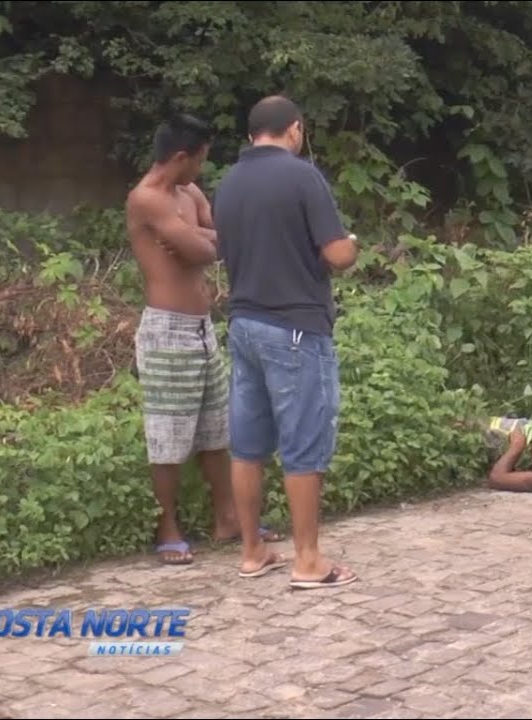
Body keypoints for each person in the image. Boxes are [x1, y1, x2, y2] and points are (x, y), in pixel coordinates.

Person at [213, 96, 359, 589]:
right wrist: (352, 244)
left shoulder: (227, 184)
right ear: (294, 129)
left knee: (248, 446)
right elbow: (337, 254)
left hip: (244, 325)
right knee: (303, 445)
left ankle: (253, 550)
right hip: (296, 327)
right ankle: (308, 561)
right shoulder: (301, 176)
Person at [126, 114, 284, 566]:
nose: (203, 169)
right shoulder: (146, 199)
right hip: (166, 328)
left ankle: (228, 516)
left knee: (217, 429)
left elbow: (226, 238)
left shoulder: (189, 194)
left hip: (202, 328)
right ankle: (167, 526)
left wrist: (199, 236)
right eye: (200, 159)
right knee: (169, 434)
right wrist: (203, 239)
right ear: (180, 156)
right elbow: (206, 250)